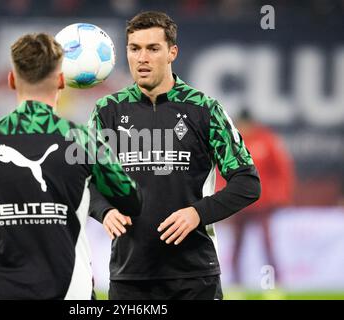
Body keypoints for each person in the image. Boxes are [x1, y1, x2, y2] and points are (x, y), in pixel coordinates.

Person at [0, 33, 141, 300]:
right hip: (71, 291)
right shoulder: (83, 140)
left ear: (11, 80)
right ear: (62, 81)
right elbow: (132, 200)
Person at [88, 11, 261, 300]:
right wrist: (103, 210)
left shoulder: (204, 109)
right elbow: (85, 180)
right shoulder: (108, 111)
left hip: (194, 277)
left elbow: (248, 183)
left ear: (172, 53)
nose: (142, 58)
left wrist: (198, 213)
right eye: (135, 48)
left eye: (153, 48)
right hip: (130, 278)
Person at [228, 109, 295, 288]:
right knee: (237, 245)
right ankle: (236, 284)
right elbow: (221, 171)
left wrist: (282, 195)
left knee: (266, 244)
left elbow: (282, 169)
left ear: (251, 123)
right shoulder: (233, 141)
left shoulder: (266, 140)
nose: (243, 128)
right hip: (239, 204)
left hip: (262, 203)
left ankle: (273, 283)